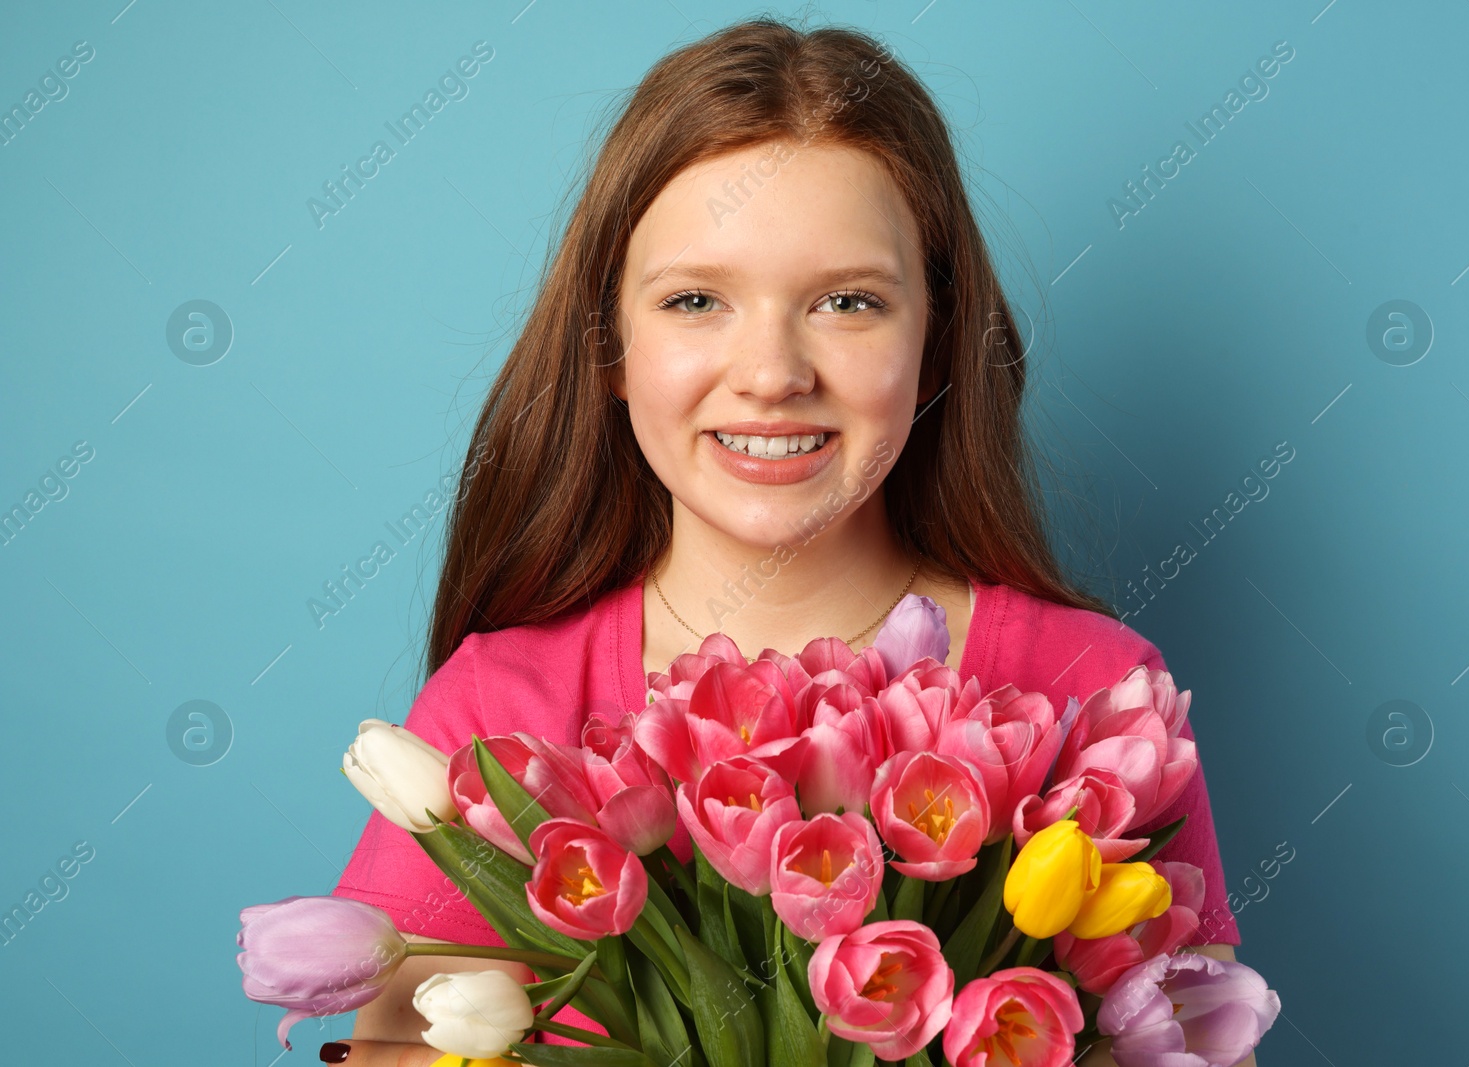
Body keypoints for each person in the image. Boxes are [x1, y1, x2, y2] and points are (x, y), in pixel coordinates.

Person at [325, 16, 1250, 1066]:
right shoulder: (498, 714)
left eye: (848, 301)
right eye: (694, 300)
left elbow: (1197, 1039)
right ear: (612, 345)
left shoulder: (1100, 701)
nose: (771, 371)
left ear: (937, 338)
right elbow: (396, 1046)